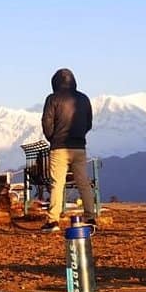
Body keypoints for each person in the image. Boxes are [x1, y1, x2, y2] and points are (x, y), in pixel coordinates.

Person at [39, 67, 97, 232]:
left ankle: (53, 221)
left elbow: (47, 123)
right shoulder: (84, 99)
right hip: (79, 147)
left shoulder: (52, 99)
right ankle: (90, 217)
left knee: (57, 184)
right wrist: (79, 136)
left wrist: (53, 138)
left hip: (59, 147)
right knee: (83, 183)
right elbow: (88, 123)